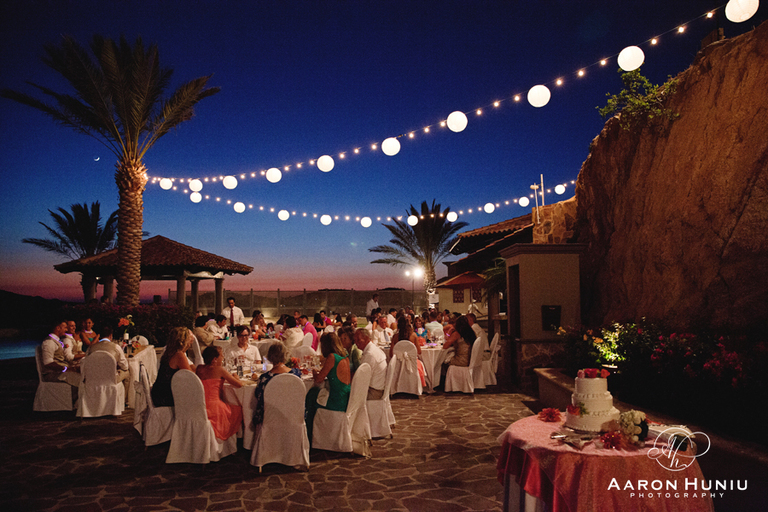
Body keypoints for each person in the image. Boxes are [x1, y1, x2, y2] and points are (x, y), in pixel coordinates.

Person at [305, 332, 351, 443]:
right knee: (314, 394)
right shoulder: (344, 355)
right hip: (345, 394)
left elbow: (319, 379)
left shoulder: (332, 357)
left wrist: (314, 372)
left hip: (337, 399)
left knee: (310, 397)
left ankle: (309, 436)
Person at [196, 346, 244, 441]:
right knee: (238, 410)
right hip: (214, 408)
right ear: (214, 359)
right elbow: (239, 385)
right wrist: (236, 377)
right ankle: (239, 440)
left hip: (200, 405)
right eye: (221, 356)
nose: (223, 358)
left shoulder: (199, 368)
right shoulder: (219, 369)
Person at [252, 342, 302, 425]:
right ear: (285, 356)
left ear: (269, 357)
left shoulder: (264, 378)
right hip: (293, 415)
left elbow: (258, 395)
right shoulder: (296, 374)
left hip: (270, 418)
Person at [151, 327, 195, 407]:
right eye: (190, 340)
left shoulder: (169, 352)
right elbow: (191, 376)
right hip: (165, 397)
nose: (191, 342)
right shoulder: (179, 355)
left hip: (158, 393)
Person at [85, 325, 131, 398]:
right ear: (110, 335)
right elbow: (124, 366)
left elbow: (86, 363)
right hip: (110, 378)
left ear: (99, 335)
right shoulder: (116, 347)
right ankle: (124, 401)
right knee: (127, 372)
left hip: (94, 378)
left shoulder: (91, 348)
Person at [40, 320, 81, 388]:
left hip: (60, 372)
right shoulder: (49, 342)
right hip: (53, 374)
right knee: (80, 379)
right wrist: (66, 368)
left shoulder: (57, 341)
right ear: (58, 328)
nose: (66, 329)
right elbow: (48, 363)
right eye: (65, 327)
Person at [390, 316, 426, 387]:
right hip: (412, 362)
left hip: (398, 363)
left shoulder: (395, 337)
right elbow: (419, 352)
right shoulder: (414, 335)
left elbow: (391, 354)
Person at [353, 328, 387, 399]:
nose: (356, 343)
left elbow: (363, 379)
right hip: (376, 387)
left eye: (358, 340)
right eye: (355, 340)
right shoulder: (373, 349)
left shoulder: (370, 354)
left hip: (374, 391)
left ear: (366, 338)